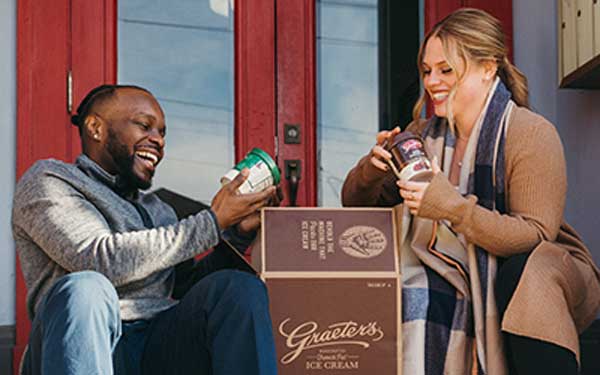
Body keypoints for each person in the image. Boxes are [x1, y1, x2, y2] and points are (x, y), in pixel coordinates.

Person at [342, 8, 600, 375]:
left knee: (523, 275)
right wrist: (372, 169)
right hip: (448, 263)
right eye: (427, 71)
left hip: (543, 270)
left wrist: (451, 208)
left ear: (488, 68)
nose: (432, 82)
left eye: (446, 70)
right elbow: (355, 205)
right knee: (406, 283)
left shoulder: (529, 133)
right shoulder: (421, 135)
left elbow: (535, 235)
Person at [12, 84, 280, 375]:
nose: (158, 141)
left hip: (157, 344)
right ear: (95, 128)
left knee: (237, 287)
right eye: (144, 126)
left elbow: (185, 286)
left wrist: (236, 234)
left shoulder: (159, 209)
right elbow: (98, 260)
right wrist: (213, 221)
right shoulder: (50, 180)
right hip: (84, 346)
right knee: (87, 288)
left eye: (162, 133)